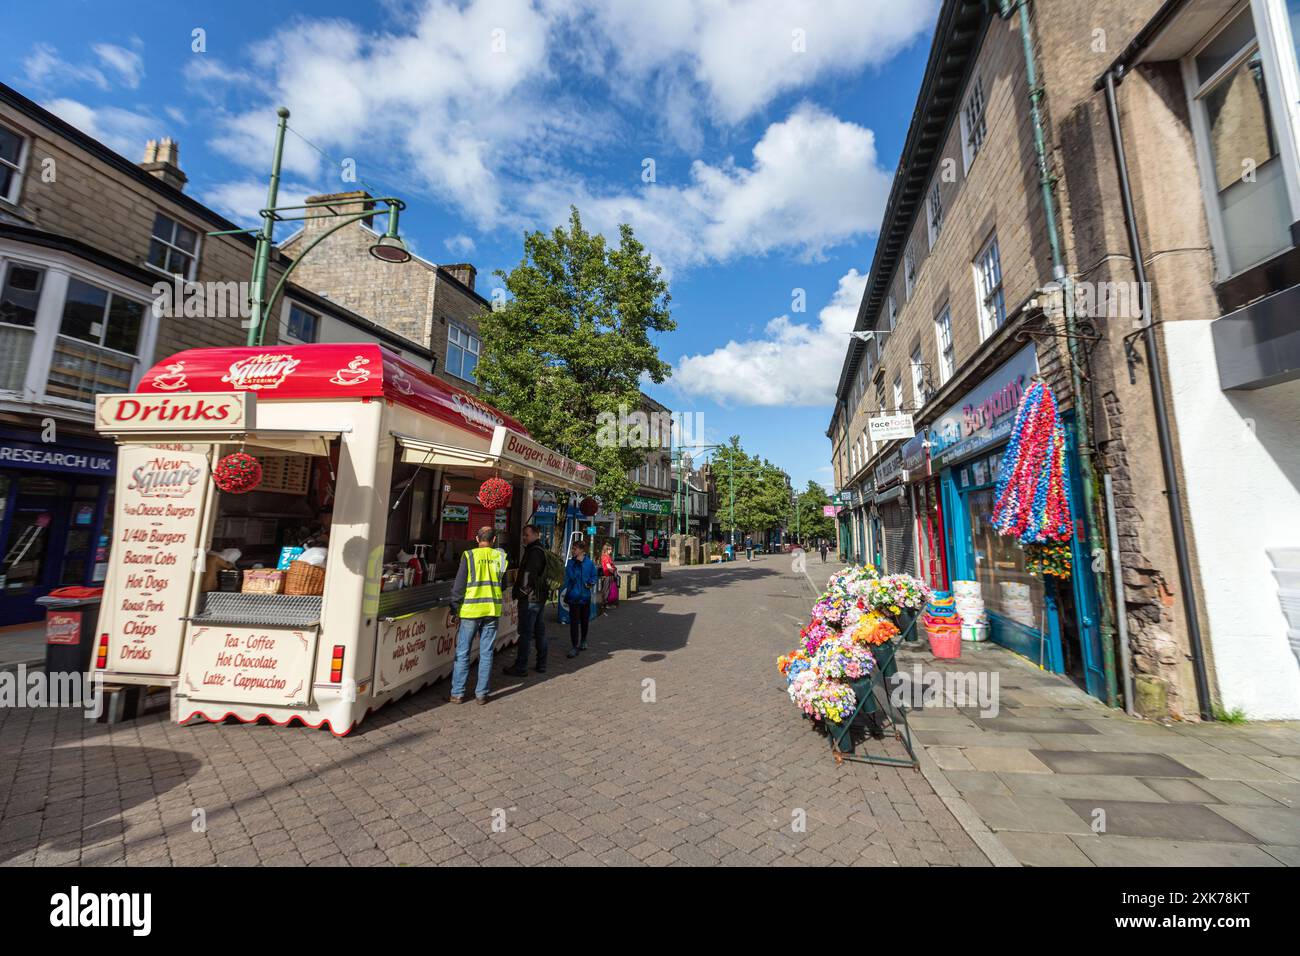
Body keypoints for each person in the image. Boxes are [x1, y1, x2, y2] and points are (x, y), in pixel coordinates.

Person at [448, 526, 505, 705]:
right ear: (494, 540)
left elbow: (459, 586)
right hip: (491, 610)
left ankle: (457, 693)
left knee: (463, 652)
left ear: (476, 538)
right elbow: (502, 584)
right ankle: (482, 694)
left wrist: (454, 608)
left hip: (470, 611)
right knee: (486, 652)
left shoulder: (469, 555)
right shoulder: (500, 557)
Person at [504, 524, 548, 677]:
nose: (524, 537)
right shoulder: (538, 550)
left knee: (526, 634)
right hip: (538, 598)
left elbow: (529, 576)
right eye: (523, 535)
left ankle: (521, 666)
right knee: (539, 632)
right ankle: (541, 663)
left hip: (531, 600)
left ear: (536, 534)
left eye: (526, 535)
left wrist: (522, 593)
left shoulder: (534, 552)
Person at [563, 540, 598, 658]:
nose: (573, 551)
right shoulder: (570, 563)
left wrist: (591, 582)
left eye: (575, 549)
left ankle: (583, 639)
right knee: (574, 622)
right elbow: (572, 577)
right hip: (574, 597)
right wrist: (577, 565)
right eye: (572, 548)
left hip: (585, 597)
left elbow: (594, 575)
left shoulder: (589, 563)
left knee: (584, 620)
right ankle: (574, 646)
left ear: (582, 550)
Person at [600, 542, 619, 609]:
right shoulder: (606, 557)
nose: (611, 551)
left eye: (611, 549)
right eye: (610, 549)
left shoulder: (604, 556)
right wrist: (614, 571)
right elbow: (609, 567)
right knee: (607, 590)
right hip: (609, 575)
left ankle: (605, 603)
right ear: (606, 550)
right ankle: (606, 604)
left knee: (606, 589)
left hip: (607, 575)